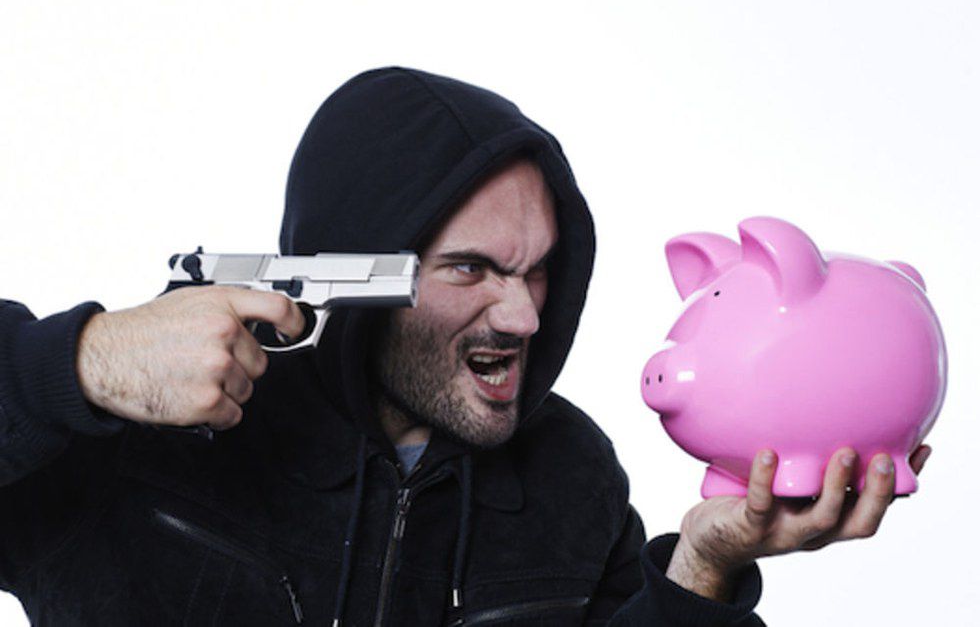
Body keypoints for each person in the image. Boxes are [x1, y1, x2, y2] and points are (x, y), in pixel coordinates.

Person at [0, 67, 929, 626]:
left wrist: (703, 569)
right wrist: (80, 364)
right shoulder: (142, 435)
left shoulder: (570, 474)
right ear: (354, 277)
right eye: (471, 269)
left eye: (538, 271)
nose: (522, 316)